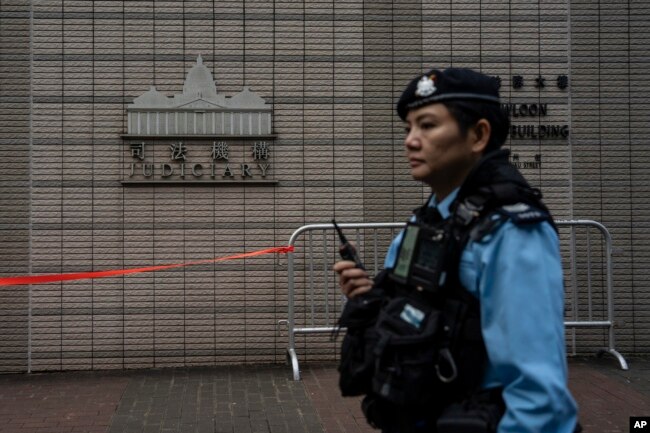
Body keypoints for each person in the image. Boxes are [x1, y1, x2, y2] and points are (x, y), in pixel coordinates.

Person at [333, 67, 579, 433]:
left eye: (428, 125)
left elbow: (537, 397)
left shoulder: (511, 231)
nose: (411, 141)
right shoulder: (427, 222)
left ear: (479, 135)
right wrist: (369, 297)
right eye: (408, 129)